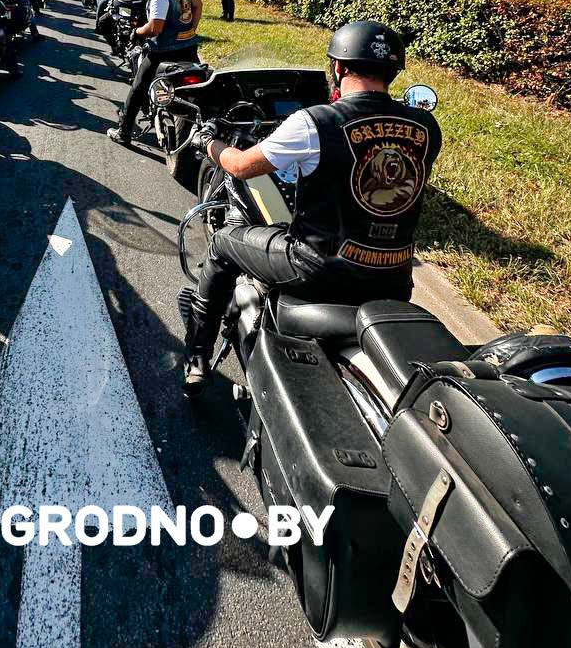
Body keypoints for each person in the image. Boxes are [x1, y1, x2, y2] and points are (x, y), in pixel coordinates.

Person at [181, 20, 443, 395]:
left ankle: (197, 354)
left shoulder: (315, 122)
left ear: (337, 68)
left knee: (224, 242)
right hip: (394, 280)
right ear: (394, 72)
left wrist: (210, 144)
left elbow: (240, 165)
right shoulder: (426, 127)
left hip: (316, 269)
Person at [108, 0, 203, 147]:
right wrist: (191, 28)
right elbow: (198, 4)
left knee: (137, 88)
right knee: (198, 91)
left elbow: (155, 28)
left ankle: (124, 131)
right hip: (189, 48)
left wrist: (137, 33)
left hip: (163, 51)